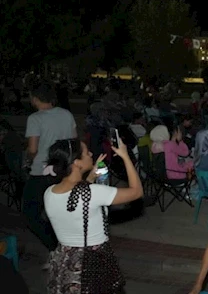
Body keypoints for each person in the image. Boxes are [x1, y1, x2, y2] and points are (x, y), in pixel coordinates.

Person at [44, 137, 143, 293]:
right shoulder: (93, 193)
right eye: (85, 152)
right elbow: (136, 192)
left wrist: (90, 176)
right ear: (76, 163)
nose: (90, 153)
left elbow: (78, 201)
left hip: (64, 262)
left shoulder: (49, 192)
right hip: (92, 263)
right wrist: (125, 157)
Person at [24, 83, 78, 255]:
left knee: (30, 214)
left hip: (42, 171)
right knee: (57, 213)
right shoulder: (66, 114)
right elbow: (74, 141)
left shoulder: (35, 118)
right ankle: (63, 247)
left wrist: (28, 158)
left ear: (34, 98)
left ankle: (55, 248)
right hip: (62, 170)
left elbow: (33, 149)